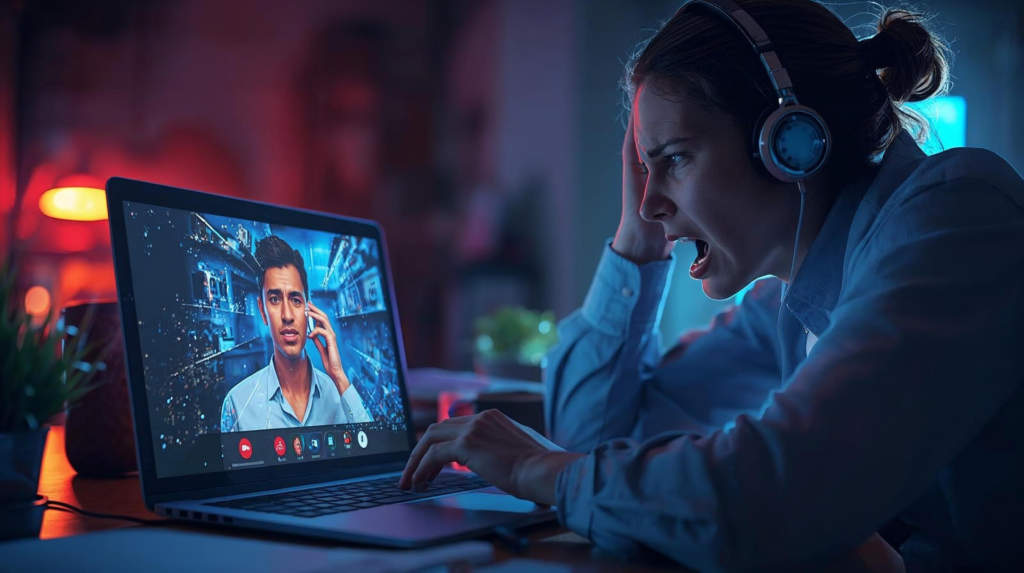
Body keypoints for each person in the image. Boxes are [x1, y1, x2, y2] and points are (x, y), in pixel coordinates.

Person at [399, 0, 1024, 570]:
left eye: (674, 158)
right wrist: (634, 241)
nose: (650, 204)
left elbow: (772, 492)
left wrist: (538, 468)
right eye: (644, 170)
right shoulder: (790, 302)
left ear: (790, 143)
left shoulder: (956, 216)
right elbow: (600, 440)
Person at [221, 235, 372, 431]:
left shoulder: (339, 395)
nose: (287, 315)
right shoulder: (237, 404)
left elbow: (372, 448)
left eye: (295, 300)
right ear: (262, 311)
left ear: (308, 309)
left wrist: (340, 377)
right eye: (275, 299)